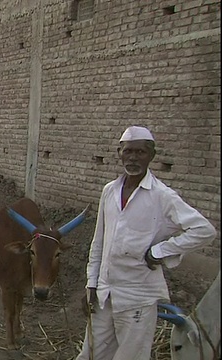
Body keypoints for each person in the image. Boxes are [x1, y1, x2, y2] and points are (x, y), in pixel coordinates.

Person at [76, 126, 216, 360]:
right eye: (128, 151)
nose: (133, 157)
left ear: (152, 155)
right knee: (90, 354)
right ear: (119, 153)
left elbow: (204, 230)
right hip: (105, 294)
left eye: (140, 152)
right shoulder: (109, 191)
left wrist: (161, 251)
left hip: (137, 297)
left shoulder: (162, 196)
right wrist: (91, 283)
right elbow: (99, 241)